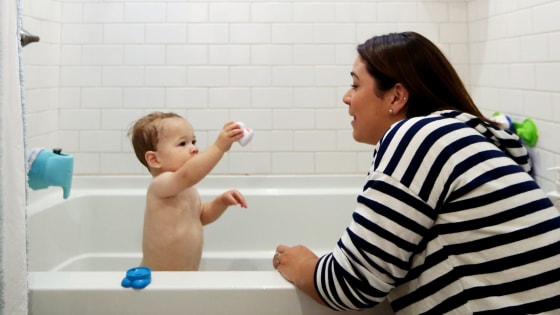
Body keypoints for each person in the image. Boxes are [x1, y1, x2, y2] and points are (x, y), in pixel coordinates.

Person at [273, 31, 560, 314]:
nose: (346, 98)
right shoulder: (464, 140)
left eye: (355, 85)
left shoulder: (418, 136)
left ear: (396, 97)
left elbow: (350, 285)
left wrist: (301, 264)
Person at [128, 112, 248, 271]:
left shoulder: (186, 188)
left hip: (185, 276)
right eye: (183, 143)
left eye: (193, 141)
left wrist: (221, 202)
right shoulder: (160, 185)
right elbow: (187, 175)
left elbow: (200, 216)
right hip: (159, 279)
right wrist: (218, 147)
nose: (194, 148)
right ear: (155, 159)